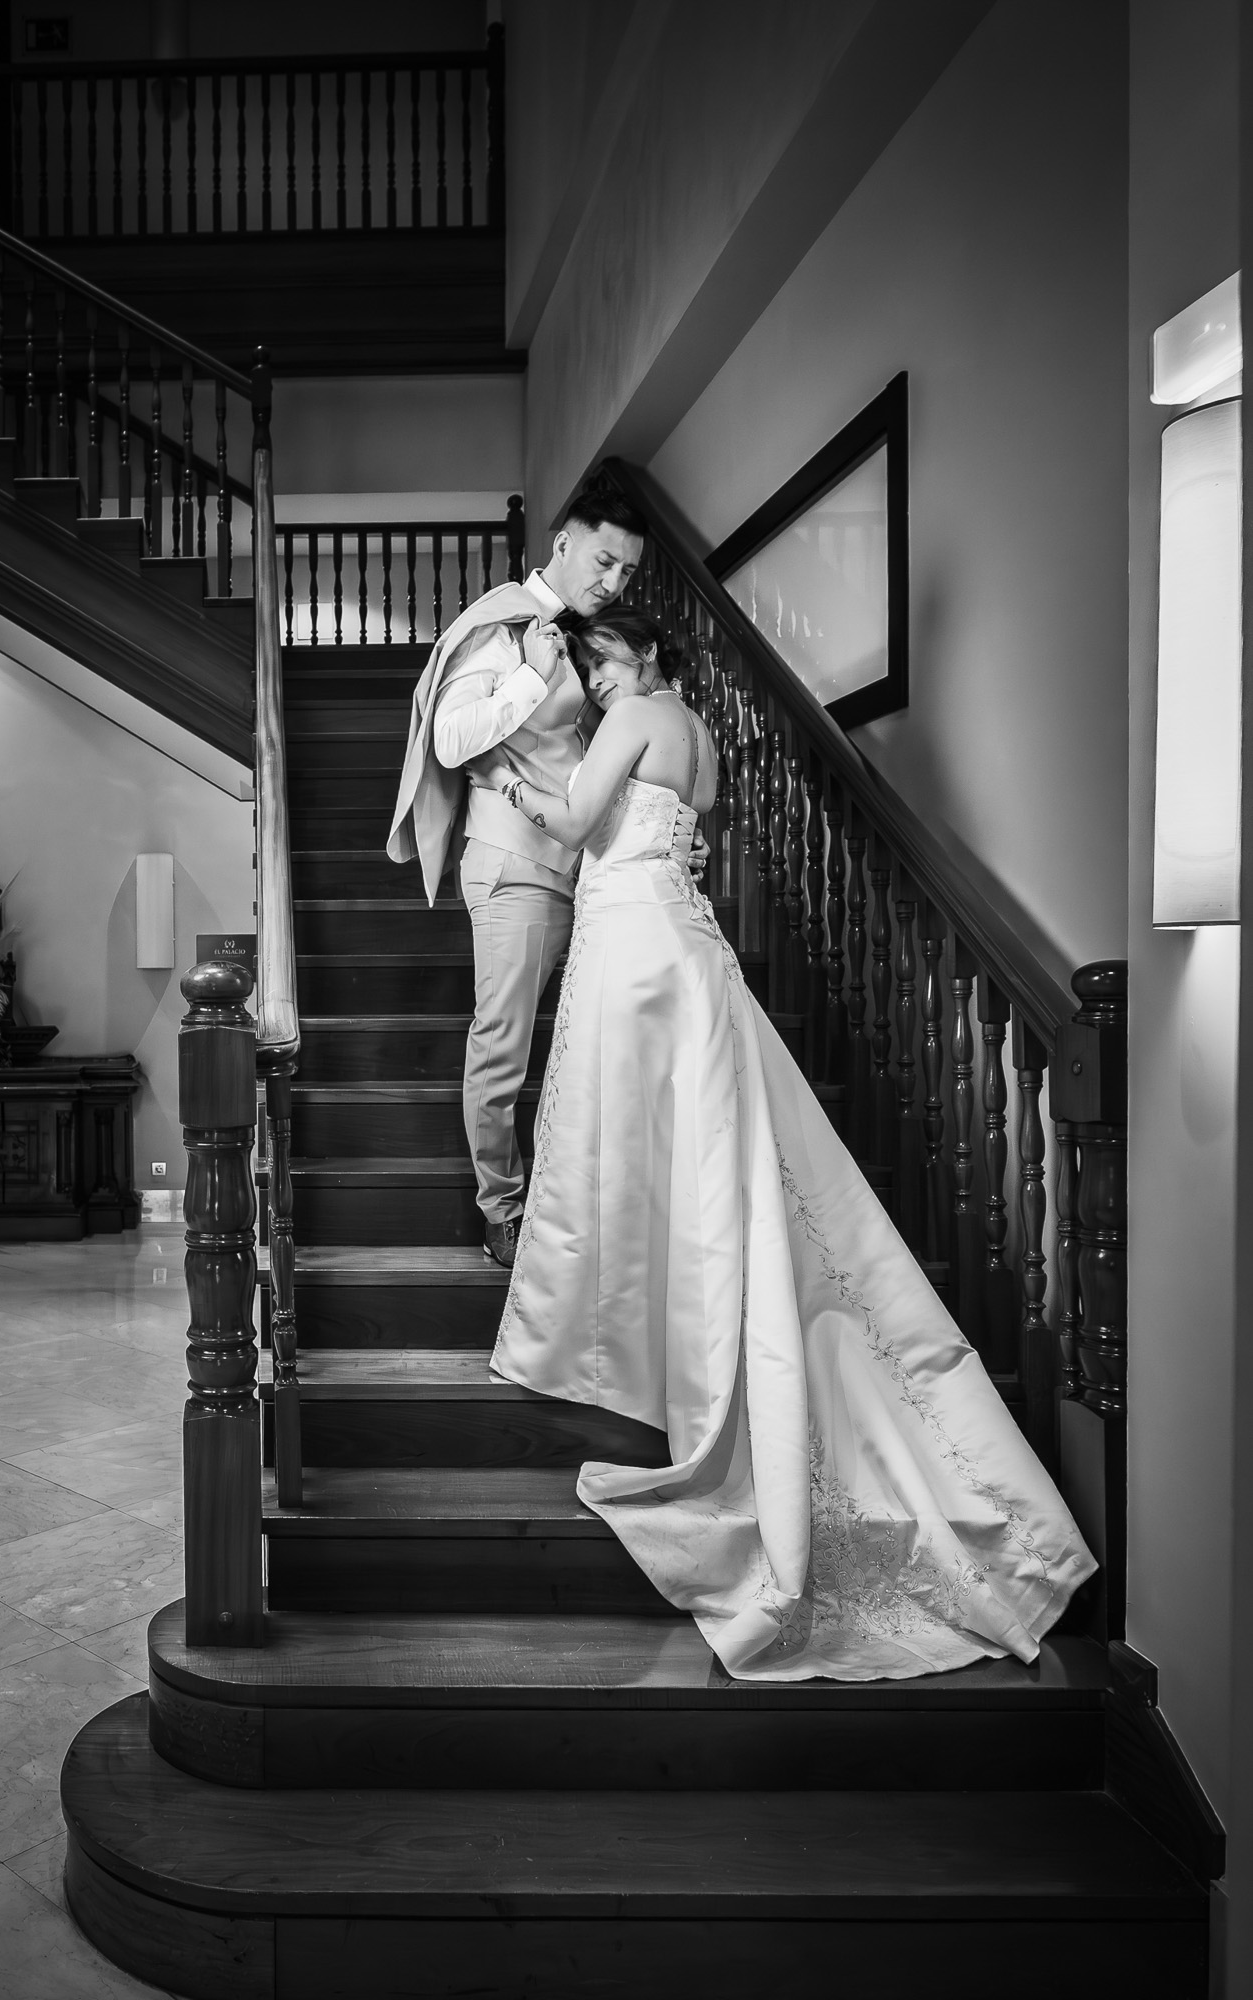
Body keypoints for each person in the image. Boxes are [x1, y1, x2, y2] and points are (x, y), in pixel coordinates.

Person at [486, 606, 1097, 1682]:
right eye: (588, 661)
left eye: (603, 655)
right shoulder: (700, 735)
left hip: (637, 944)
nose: (595, 671)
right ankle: (656, 1314)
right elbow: (691, 818)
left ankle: (627, 1325)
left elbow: (581, 819)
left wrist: (515, 778)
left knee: (632, 1147)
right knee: (708, 1156)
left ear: (646, 655)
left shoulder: (634, 714)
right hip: (681, 942)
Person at [387, 474, 646, 1269]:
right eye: (603, 561)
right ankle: (501, 1207)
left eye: (627, 573)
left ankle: (583, 1195)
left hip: (587, 866)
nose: (611, 582)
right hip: (517, 863)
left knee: (588, 1043)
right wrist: (531, 674)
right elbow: (451, 738)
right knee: (503, 1047)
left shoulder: (590, 638)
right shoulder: (503, 627)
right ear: (563, 542)